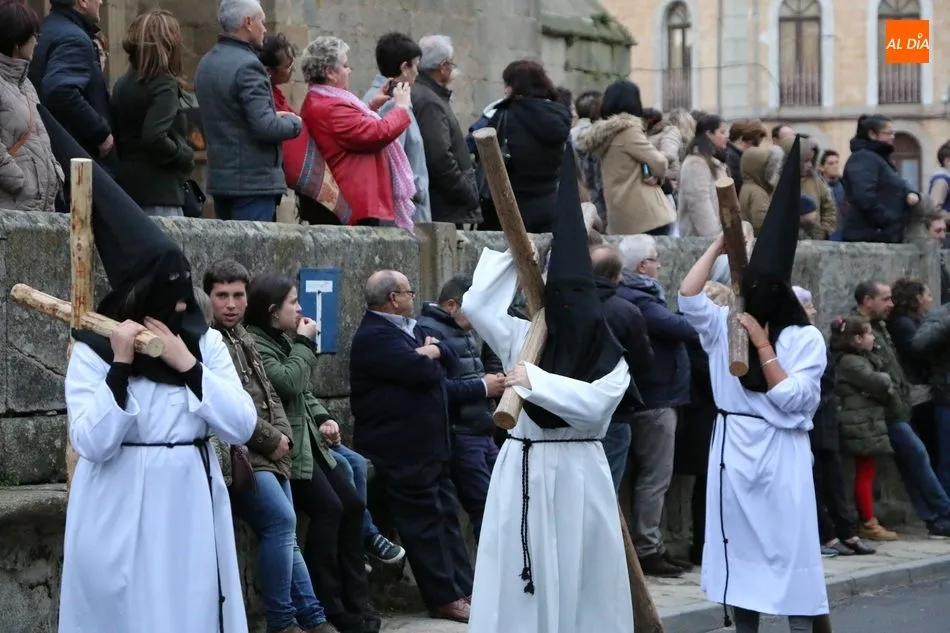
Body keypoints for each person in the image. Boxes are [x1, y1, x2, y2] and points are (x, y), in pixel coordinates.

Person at [47, 101, 257, 633]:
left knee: (185, 611)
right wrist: (120, 367)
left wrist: (189, 368)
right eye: (167, 294)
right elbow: (92, 442)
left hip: (186, 502)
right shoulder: (93, 350)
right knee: (122, 610)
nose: (180, 305)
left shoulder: (204, 344)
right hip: (116, 500)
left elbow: (241, 425)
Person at [463, 145, 633, 633]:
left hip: (581, 474)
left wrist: (535, 381)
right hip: (525, 467)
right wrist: (520, 258)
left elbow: (594, 408)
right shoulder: (525, 336)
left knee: (583, 578)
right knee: (520, 574)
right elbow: (477, 307)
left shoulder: (613, 359)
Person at [677, 136, 829, 632]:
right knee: (738, 549)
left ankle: (802, 624)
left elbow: (796, 398)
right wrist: (718, 247)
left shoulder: (804, 338)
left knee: (787, 545)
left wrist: (763, 346)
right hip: (733, 448)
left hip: (779, 452)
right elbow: (688, 298)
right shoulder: (726, 324)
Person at [247, 276, 376, 633]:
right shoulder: (259, 344)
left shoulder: (281, 340)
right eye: (293, 302)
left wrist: (324, 417)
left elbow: (304, 393)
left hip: (308, 441)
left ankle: (357, 602)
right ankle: (330, 607)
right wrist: (305, 343)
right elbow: (289, 382)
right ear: (273, 312)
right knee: (329, 509)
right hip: (288, 448)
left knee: (352, 503)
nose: (300, 308)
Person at [110, 9, 195, 217]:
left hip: (128, 189)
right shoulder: (163, 84)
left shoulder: (123, 84)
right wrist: (183, 154)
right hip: (160, 193)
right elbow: (154, 136)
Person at [829, 315, 899, 541]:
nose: (873, 338)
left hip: (865, 422)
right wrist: (885, 380)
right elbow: (879, 382)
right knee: (864, 472)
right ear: (857, 339)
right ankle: (868, 522)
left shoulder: (858, 358)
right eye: (869, 333)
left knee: (866, 471)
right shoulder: (850, 362)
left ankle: (867, 518)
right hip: (860, 424)